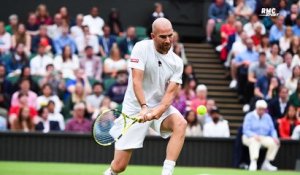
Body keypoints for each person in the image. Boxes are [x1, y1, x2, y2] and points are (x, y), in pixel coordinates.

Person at [103, 18, 186, 175]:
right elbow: (136, 81)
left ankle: (167, 173)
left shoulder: (177, 62)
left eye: (170, 35)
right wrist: (144, 107)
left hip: (158, 105)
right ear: (153, 36)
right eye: (163, 37)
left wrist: (157, 111)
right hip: (134, 107)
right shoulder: (141, 48)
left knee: (180, 124)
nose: (168, 40)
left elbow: (170, 94)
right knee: (119, 166)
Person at [242, 100, 280, 171]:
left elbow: (272, 130)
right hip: (249, 137)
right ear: (256, 108)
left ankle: (266, 163)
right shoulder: (249, 116)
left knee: (275, 142)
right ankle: (253, 162)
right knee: (254, 141)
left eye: (263, 109)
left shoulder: (267, 117)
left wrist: (275, 137)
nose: (261, 111)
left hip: (263, 137)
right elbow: (245, 130)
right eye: (260, 109)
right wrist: (254, 135)